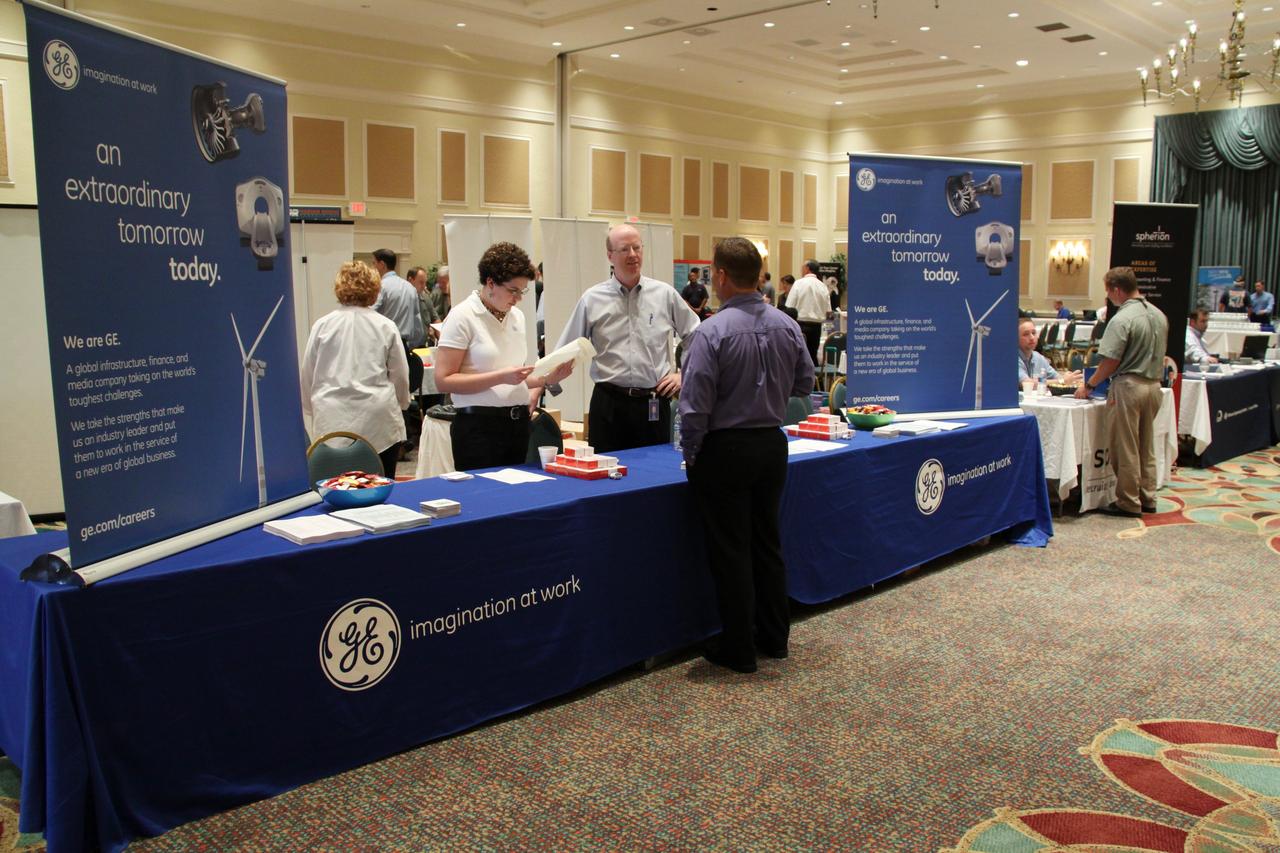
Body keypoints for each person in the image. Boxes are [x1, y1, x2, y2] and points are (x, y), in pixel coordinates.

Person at [679, 237, 814, 674]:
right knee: (766, 543)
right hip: (772, 445)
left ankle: (737, 647)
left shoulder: (711, 332)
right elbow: (803, 383)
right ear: (758, 275)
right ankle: (774, 637)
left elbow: (695, 405)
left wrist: (693, 453)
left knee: (731, 549)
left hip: (726, 449)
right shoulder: (787, 325)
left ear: (719, 276)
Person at [554, 223, 700, 453]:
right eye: (624, 249)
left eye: (637, 247)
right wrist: (542, 386)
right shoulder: (592, 299)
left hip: (653, 403)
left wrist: (685, 375)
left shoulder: (665, 295)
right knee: (605, 477)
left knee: (655, 475)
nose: (633, 255)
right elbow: (567, 348)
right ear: (610, 255)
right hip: (609, 404)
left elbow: (697, 336)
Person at [434, 243, 573, 471]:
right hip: (477, 426)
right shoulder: (462, 316)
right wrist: (500, 377)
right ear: (490, 283)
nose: (518, 298)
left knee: (514, 497)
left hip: (516, 424)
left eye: (522, 291)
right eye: (513, 290)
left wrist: (549, 378)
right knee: (484, 500)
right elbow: (443, 380)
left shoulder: (516, 317)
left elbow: (516, 377)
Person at [301, 261, 411, 478]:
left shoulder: (322, 326)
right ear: (375, 289)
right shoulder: (385, 326)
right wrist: (402, 403)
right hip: (377, 419)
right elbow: (400, 374)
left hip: (332, 417)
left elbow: (308, 374)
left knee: (335, 485)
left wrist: (311, 409)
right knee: (380, 484)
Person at [1074, 267, 1168, 518]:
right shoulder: (1158, 315)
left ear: (1116, 290)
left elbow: (1110, 361)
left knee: (1125, 446)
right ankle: (1148, 496)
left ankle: (1128, 501)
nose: (1109, 297)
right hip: (1154, 385)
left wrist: (1090, 384)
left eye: (1108, 292)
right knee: (1146, 444)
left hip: (1129, 387)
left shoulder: (1122, 319)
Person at [371, 248, 425, 348]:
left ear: (382, 265)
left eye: (374, 263)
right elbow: (417, 324)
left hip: (385, 344)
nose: (372, 267)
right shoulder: (411, 288)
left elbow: (371, 314)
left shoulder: (381, 287)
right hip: (405, 345)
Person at [789, 260, 830, 364]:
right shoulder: (823, 286)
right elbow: (828, 311)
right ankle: (813, 379)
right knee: (812, 356)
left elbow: (790, 307)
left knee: (799, 357)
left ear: (807, 268)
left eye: (802, 267)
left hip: (800, 325)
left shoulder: (798, 283)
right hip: (817, 327)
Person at [1017, 318, 1080, 385]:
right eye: (1026, 334)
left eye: (1034, 333)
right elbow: (1027, 383)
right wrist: (1062, 381)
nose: (1032, 337)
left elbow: (1057, 377)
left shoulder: (1038, 357)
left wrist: (1068, 378)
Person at [407, 265, 439, 344]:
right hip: (408, 346)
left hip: (424, 345)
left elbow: (435, 319)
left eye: (425, 282)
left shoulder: (425, 297)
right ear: (410, 280)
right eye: (421, 282)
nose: (424, 286)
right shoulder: (402, 299)